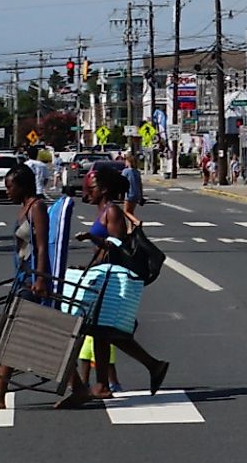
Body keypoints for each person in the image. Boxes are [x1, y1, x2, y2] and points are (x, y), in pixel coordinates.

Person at [56, 163, 170, 408]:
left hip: (112, 280)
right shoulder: (102, 211)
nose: (87, 191)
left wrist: (91, 238)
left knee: (106, 330)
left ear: (104, 189)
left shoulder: (113, 212)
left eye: (92, 187)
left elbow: (115, 245)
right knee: (101, 331)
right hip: (101, 275)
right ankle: (104, 385)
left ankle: (150, 366)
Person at [0, 165, 54, 411]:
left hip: (32, 280)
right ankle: (77, 385)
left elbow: (40, 245)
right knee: (38, 336)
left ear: (23, 185)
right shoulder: (23, 209)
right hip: (21, 277)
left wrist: (40, 278)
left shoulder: (37, 207)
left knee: (12, 333)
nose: (6, 191)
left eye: (10, 186)